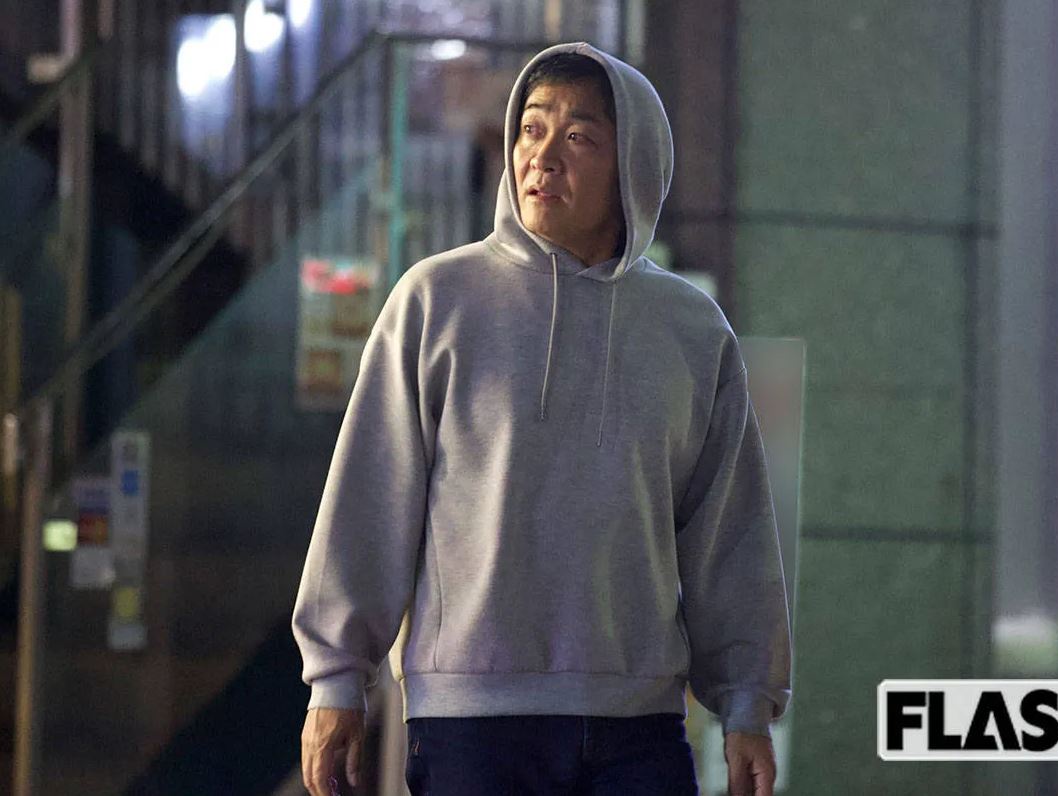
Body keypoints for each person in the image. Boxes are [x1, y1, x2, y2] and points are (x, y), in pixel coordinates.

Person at [293, 41, 792, 796]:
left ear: (633, 168)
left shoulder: (691, 331)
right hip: (471, 721)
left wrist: (748, 704)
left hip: (638, 725)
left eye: (579, 136)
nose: (543, 157)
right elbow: (369, 499)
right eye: (531, 128)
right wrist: (336, 680)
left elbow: (732, 532)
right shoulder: (435, 301)